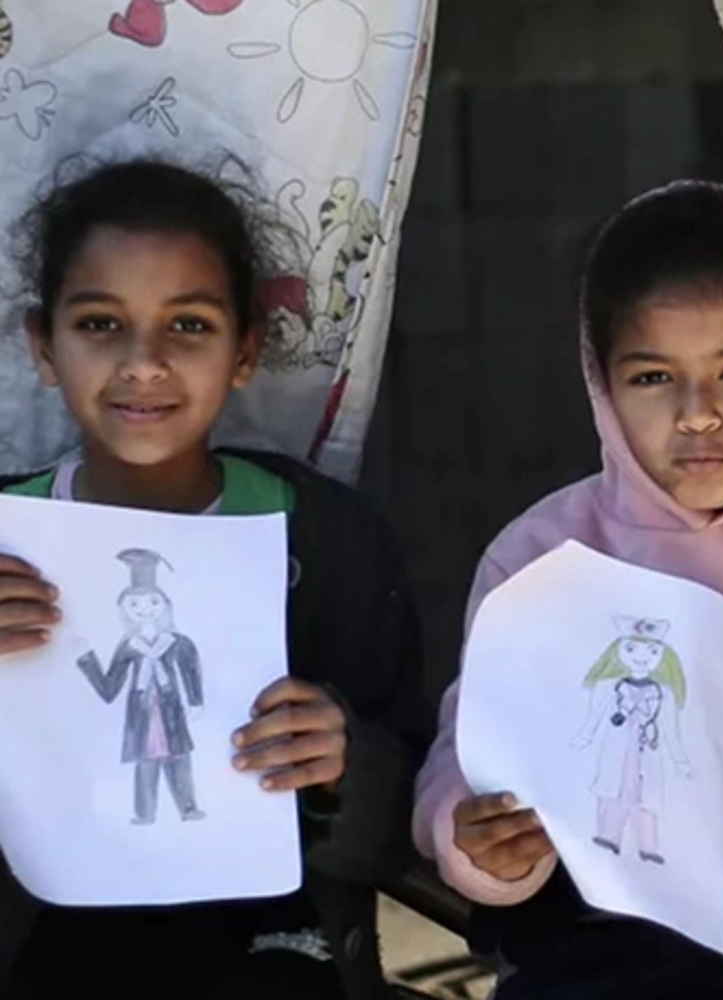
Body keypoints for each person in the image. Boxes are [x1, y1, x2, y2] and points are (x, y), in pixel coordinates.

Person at [411, 181, 723, 999]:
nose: (698, 414)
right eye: (654, 378)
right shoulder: (541, 558)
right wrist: (473, 840)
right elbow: (468, 748)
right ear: (600, 381)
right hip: (587, 925)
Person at [0, 158, 430, 1000]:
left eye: (189, 326)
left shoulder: (325, 541)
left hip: (271, 944)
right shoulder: (6, 540)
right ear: (42, 346)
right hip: (41, 939)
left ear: (247, 350)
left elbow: (419, 809)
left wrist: (344, 765)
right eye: (99, 324)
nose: (145, 362)